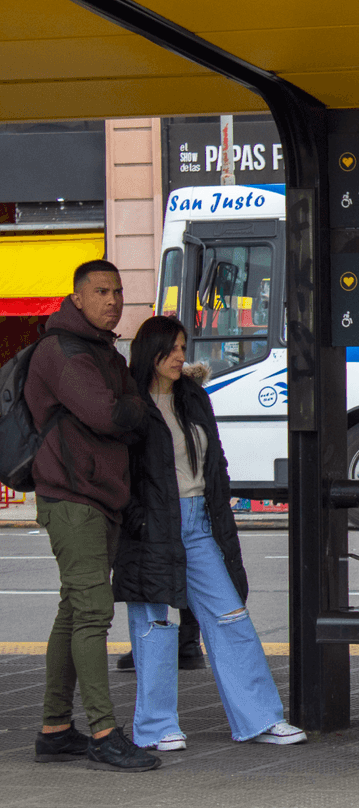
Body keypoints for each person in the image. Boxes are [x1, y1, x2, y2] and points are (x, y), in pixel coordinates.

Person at [114, 316, 306, 751]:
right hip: (152, 527)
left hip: (199, 522)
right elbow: (118, 472)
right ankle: (156, 726)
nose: (182, 356)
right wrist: (138, 520)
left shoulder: (194, 397)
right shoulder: (130, 404)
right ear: (152, 351)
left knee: (231, 616)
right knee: (154, 625)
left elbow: (215, 462)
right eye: (174, 348)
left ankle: (260, 719)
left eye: (184, 347)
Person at [28, 260, 159, 772]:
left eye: (118, 291)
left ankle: (55, 729)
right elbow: (112, 413)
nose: (113, 300)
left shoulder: (103, 351)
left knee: (73, 610)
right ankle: (104, 732)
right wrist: (131, 408)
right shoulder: (62, 352)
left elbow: (121, 409)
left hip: (98, 497)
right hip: (73, 498)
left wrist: (126, 406)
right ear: (77, 298)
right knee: (92, 614)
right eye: (101, 291)